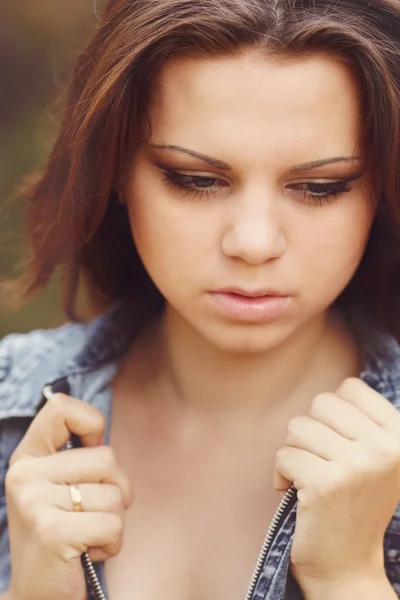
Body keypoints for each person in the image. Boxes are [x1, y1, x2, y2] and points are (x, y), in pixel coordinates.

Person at [1, 0, 400, 598]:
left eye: (321, 187)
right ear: (114, 171)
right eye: (196, 179)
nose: (254, 243)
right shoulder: (11, 411)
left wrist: (349, 579)